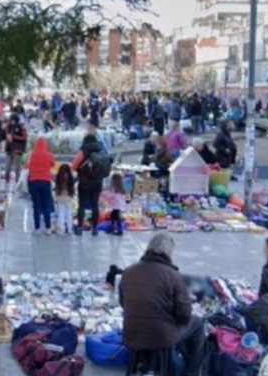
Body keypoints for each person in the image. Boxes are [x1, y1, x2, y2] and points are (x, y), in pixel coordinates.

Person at [119, 233, 206, 376]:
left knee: (156, 323)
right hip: (161, 337)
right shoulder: (174, 276)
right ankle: (192, 372)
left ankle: (147, 364)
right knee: (198, 323)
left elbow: (123, 303)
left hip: (131, 334)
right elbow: (184, 315)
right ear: (170, 251)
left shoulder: (129, 272)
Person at [72, 134, 109, 236]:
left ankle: (79, 228)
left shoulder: (83, 151)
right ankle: (95, 228)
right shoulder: (102, 150)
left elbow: (74, 166)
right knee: (94, 205)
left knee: (82, 205)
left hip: (84, 182)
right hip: (97, 182)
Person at [26, 137, 56, 235]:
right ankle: (48, 227)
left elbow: (26, 166)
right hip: (45, 181)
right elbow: (52, 164)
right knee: (46, 204)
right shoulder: (49, 155)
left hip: (33, 181)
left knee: (36, 205)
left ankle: (37, 228)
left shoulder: (31, 155)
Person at [4, 113, 28, 183]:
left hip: (18, 149)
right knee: (7, 167)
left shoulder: (21, 128)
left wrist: (14, 137)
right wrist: (6, 149)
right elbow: (7, 138)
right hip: (9, 149)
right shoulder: (8, 127)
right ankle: (6, 182)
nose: (12, 122)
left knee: (17, 168)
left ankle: (18, 182)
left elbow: (24, 138)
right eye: (11, 120)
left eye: (13, 120)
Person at [103, 172, 128, 236]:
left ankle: (119, 230)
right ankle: (114, 228)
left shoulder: (114, 189)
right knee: (114, 216)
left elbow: (108, 195)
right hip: (120, 205)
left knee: (116, 217)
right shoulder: (121, 189)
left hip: (116, 206)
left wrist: (103, 192)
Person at [53, 164, 76, 234]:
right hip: (68, 197)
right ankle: (69, 228)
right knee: (69, 213)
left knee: (61, 213)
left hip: (60, 197)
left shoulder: (58, 177)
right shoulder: (71, 178)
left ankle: (61, 229)